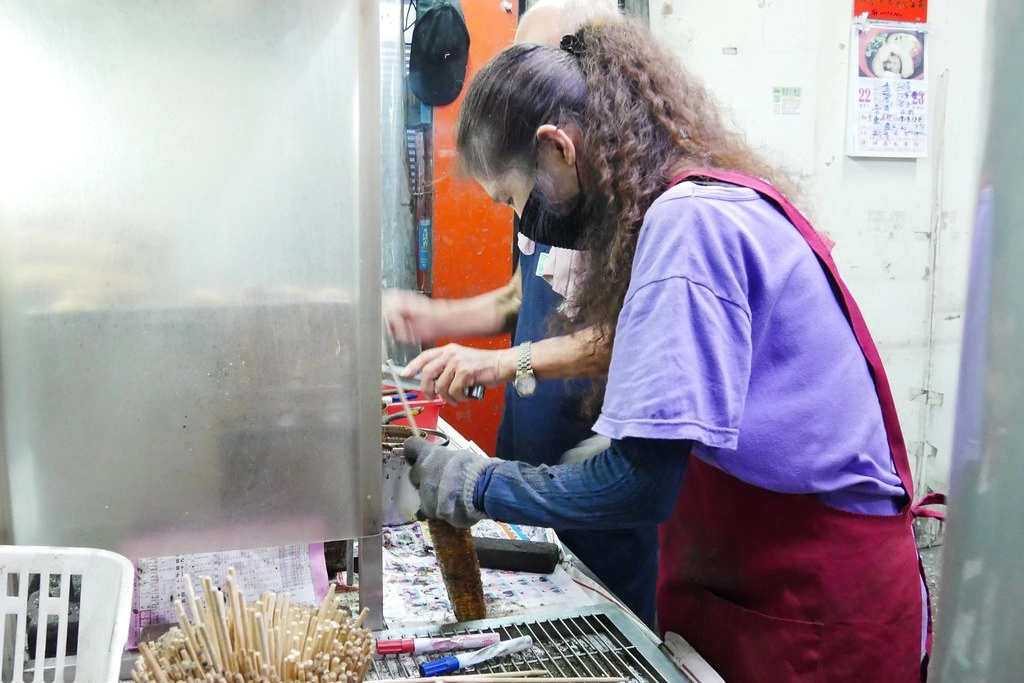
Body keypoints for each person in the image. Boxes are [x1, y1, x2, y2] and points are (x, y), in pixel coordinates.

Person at [402, 18, 934, 683]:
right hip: (758, 569)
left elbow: (638, 483)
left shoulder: (688, 225)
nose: (521, 221)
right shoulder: (690, 200)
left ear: (557, 150)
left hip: (814, 599)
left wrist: (476, 483)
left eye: (515, 197)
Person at [384, 0, 659, 628]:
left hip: (591, 473)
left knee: (604, 626)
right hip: (529, 454)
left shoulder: (630, 198)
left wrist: (510, 361)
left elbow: (633, 335)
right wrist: (435, 321)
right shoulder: (550, 188)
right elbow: (519, 296)